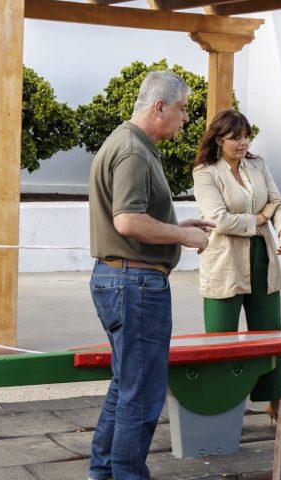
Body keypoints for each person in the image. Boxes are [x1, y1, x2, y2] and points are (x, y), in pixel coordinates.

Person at [87, 71, 214, 480]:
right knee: (142, 393)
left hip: (120, 278)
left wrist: (178, 223)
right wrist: (184, 236)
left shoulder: (127, 143)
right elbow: (127, 221)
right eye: (181, 109)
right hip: (135, 283)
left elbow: (134, 217)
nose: (185, 118)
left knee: (126, 385)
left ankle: (103, 471)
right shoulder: (134, 151)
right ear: (159, 106)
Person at [192, 109, 281, 422]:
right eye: (235, 137)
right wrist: (261, 219)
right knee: (220, 338)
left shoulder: (258, 164)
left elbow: (278, 202)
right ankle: (220, 405)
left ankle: (274, 401)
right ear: (218, 139)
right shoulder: (205, 172)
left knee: (270, 334)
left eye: (246, 135)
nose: (243, 143)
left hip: (263, 257)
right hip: (224, 262)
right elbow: (219, 220)